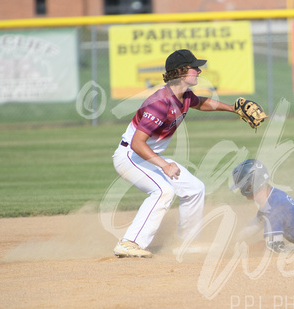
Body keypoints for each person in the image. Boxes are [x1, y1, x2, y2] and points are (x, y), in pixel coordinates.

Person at [113, 49, 265, 258]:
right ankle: (130, 242)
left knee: (194, 188)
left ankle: (187, 243)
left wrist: (232, 108)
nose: (199, 70)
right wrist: (164, 165)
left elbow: (200, 102)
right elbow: (137, 144)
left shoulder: (182, 96)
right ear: (181, 72)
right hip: (131, 157)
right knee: (163, 191)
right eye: (194, 67)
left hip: (147, 156)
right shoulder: (159, 104)